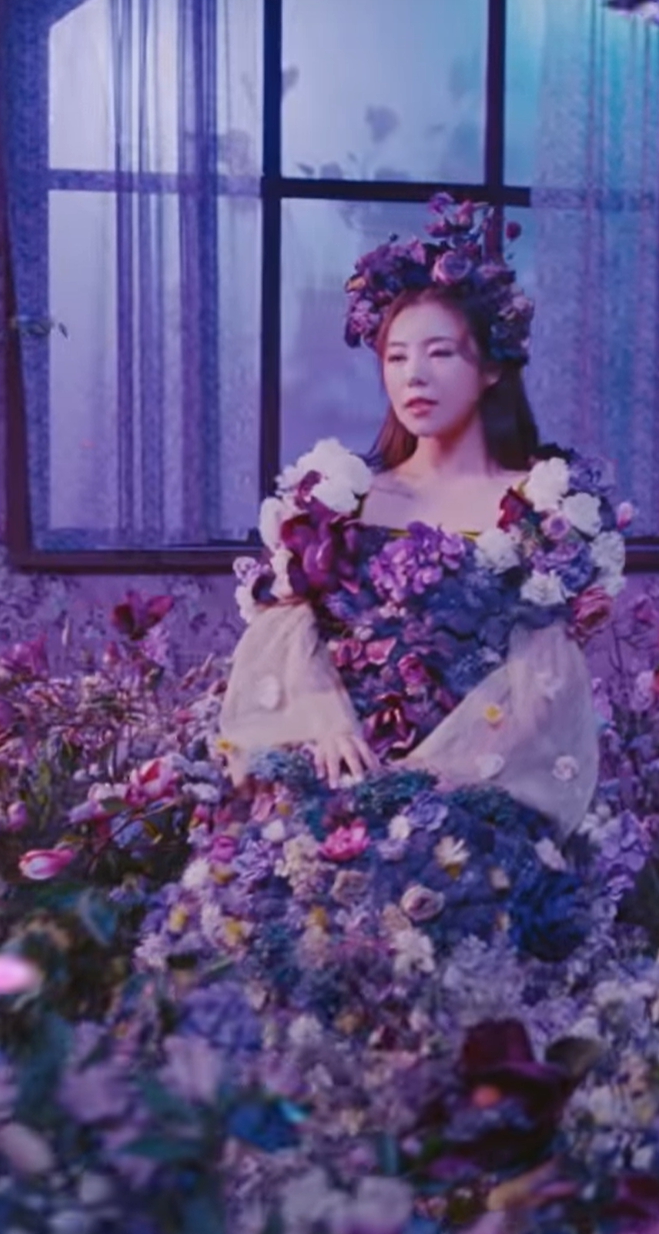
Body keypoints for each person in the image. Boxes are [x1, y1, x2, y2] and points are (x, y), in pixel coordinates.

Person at [202, 194, 630, 963]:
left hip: (478, 779)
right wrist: (324, 715)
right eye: (396, 356)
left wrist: (429, 780)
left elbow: (542, 674)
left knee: (452, 905)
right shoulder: (345, 494)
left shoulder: (542, 503)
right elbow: (285, 626)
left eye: (441, 353)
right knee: (280, 904)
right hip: (335, 763)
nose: (414, 376)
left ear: (490, 367)